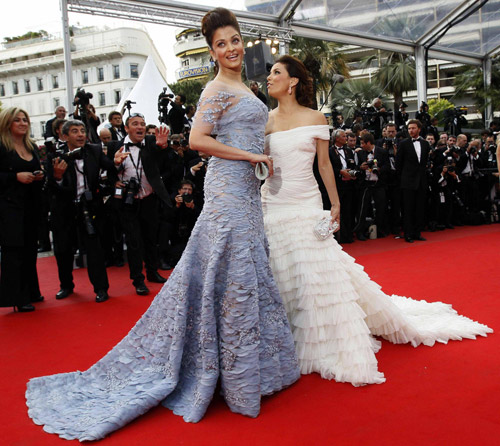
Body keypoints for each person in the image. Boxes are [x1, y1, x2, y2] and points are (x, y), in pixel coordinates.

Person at [26, 8, 299, 441]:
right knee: (232, 276)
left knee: (238, 273)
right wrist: (248, 156)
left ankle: (247, 368)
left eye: (235, 40)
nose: (231, 48)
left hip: (247, 193)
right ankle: (235, 377)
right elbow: (196, 140)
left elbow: (244, 134)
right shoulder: (215, 89)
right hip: (229, 193)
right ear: (211, 53)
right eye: (221, 44)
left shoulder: (243, 87)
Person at [261, 55, 492, 386]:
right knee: (281, 268)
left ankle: (320, 337)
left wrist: (336, 203)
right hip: (272, 201)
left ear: (293, 81)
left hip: (305, 202)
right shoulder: (265, 120)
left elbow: (325, 166)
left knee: (312, 272)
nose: (269, 77)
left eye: (276, 72)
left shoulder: (315, 117)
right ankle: (284, 336)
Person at [46, 120, 115, 303]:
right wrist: (58, 177)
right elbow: (49, 187)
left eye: (83, 130)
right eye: (75, 131)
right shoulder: (55, 155)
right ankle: (66, 286)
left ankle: (101, 288)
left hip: (90, 208)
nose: (80, 134)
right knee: (63, 250)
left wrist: (115, 164)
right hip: (65, 209)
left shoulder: (95, 150)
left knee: (94, 250)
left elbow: (111, 168)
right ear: (65, 135)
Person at [108, 113, 171, 295]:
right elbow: (107, 169)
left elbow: (163, 158)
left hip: (149, 199)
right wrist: (114, 172)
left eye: (143, 124)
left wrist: (163, 146)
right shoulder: (115, 146)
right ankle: (138, 280)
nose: (140, 127)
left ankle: (152, 272)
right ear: (126, 129)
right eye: (135, 124)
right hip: (128, 202)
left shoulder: (151, 143)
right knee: (134, 242)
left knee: (151, 239)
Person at [0, 107, 45, 312]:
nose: (22, 123)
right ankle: (17, 297)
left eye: (25, 120)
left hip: (31, 205)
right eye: (17, 120)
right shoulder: (1, 147)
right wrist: (15, 177)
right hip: (8, 207)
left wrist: (38, 175)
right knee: (14, 251)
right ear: (7, 123)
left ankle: (31, 291)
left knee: (30, 250)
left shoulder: (31, 146)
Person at [396, 119, 431, 243]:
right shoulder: (403, 144)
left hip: (421, 181)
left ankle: (417, 233)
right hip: (407, 181)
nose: (411, 130)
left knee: (419, 208)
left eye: (413, 128)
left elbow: (424, 163)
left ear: (419, 129)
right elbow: (398, 164)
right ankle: (408, 234)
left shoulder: (426, 144)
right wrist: (403, 179)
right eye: (409, 128)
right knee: (408, 209)